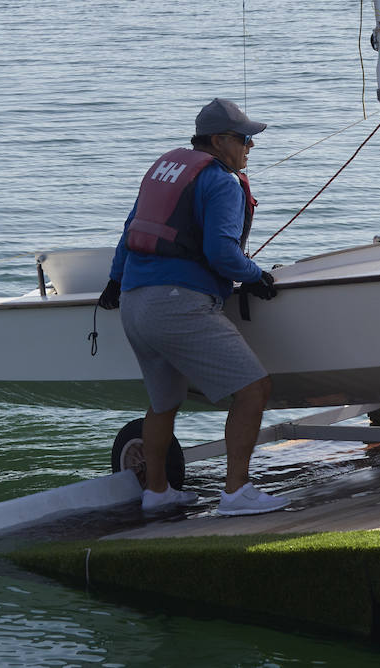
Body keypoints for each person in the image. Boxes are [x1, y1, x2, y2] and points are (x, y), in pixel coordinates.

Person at [100, 98, 290, 516]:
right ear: (220, 140)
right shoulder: (221, 181)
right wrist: (255, 275)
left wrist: (115, 280)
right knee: (253, 389)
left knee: (164, 402)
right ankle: (237, 493)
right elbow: (221, 253)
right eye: (244, 139)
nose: (249, 148)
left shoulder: (164, 169)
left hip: (133, 302)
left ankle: (157, 491)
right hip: (178, 303)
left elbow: (130, 231)